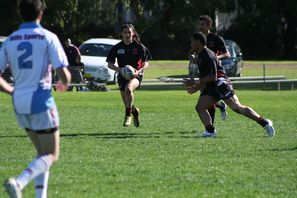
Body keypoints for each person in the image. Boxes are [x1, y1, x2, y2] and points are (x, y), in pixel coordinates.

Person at [0, 0, 71, 197]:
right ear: (40, 13)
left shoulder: (10, 40)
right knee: (52, 154)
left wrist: (12, 91)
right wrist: (63, 83)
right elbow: (65, 76)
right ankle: (19, 182)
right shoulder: (47, 37)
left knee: (42, 155)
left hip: (19, 102)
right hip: (40, 99)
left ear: (20, 14)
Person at [187, 32, 275, 138]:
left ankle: (265, 123)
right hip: (211, 85)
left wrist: (195, 82)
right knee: (200, 107)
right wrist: (196, 87)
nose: (190, 44)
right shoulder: (201, 55)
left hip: (220, 84)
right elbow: (201, 72)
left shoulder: (208, 56)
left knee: (238, 108)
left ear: (198, 42)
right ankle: (210, 131)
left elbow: (212, 77)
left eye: (192, 41)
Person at [106, 23, 152, 127]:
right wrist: (120, 70)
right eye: (125, 32)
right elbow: (109, 64)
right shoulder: (117, 47)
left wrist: (138, 71)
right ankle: (135, 112)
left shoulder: (139, 46)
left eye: (129, 32)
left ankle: (128, 115)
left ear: (133, 33)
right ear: (121, 34)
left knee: (128, 89)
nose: (127, 34)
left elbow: (146, 63)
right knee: (127, 102)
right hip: (122, 76)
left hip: (136, 75)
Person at [189, 15, 230, 123]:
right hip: (203, 70)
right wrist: (192, 58)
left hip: (215, 72)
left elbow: (227, 54)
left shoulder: (216, 39)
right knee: (206, 97)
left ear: (209, 25)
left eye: (202, 24)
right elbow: (190, 54)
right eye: (199, 24)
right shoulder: (198, 38)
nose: (200, 26)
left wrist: (217, 57)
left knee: (207, 97)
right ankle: (220, 107)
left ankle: (210, 127)